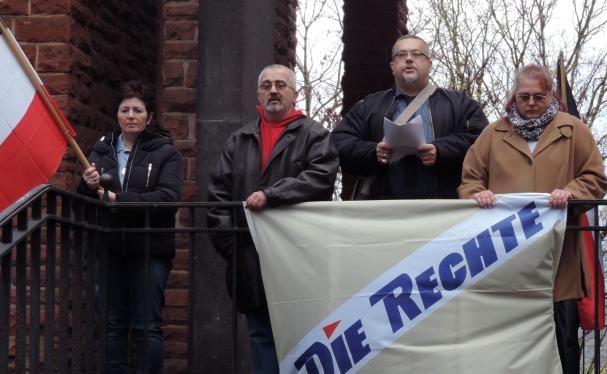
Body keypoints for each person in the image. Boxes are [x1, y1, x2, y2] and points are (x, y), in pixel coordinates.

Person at [458, 64, 607, 374]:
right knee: (510, 344)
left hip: (560, 259)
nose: (530, 103)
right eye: (524, 96)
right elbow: (470, 179)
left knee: (562, 339)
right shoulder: (493, 133)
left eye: (538, 97)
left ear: (550, 94)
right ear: (514, 96)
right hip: (507, 259)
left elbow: (595, 179)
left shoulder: (574, 129)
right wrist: (477, 195)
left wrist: (571, 192)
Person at [206, 64, 339, 374]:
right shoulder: (238, 141)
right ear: (258, 94)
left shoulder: (315, 135)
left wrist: (272, 194)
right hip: (250, 258)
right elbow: (217, 198)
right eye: (266, 85)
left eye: (281, 84)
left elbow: (321, 177)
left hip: (299, 257)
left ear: (295, 93)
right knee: (261, 336)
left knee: (304, 338)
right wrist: (233, 246)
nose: (274, 90)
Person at [77, 80, 183, 374]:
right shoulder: (101, 150)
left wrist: (119, 200)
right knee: (112, 325)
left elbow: (167, 199)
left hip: (149, 250)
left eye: (138, 110)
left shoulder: (166, 153)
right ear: (117, 115)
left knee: (147, 326)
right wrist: (87, 186)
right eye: (125, 110)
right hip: (109, 248)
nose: (131, 115)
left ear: (149, 117)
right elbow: (83, 197)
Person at [332, 34, 488, 199]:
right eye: (401, 55)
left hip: (443, 210)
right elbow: (338, 143)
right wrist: (373, 152)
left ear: (429, 64)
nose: (408, 59)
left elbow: (482, 142)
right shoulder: (369, 106)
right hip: (384, 211)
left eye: (416, 54)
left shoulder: (460, 104)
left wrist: (440, 151)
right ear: (392, 66)